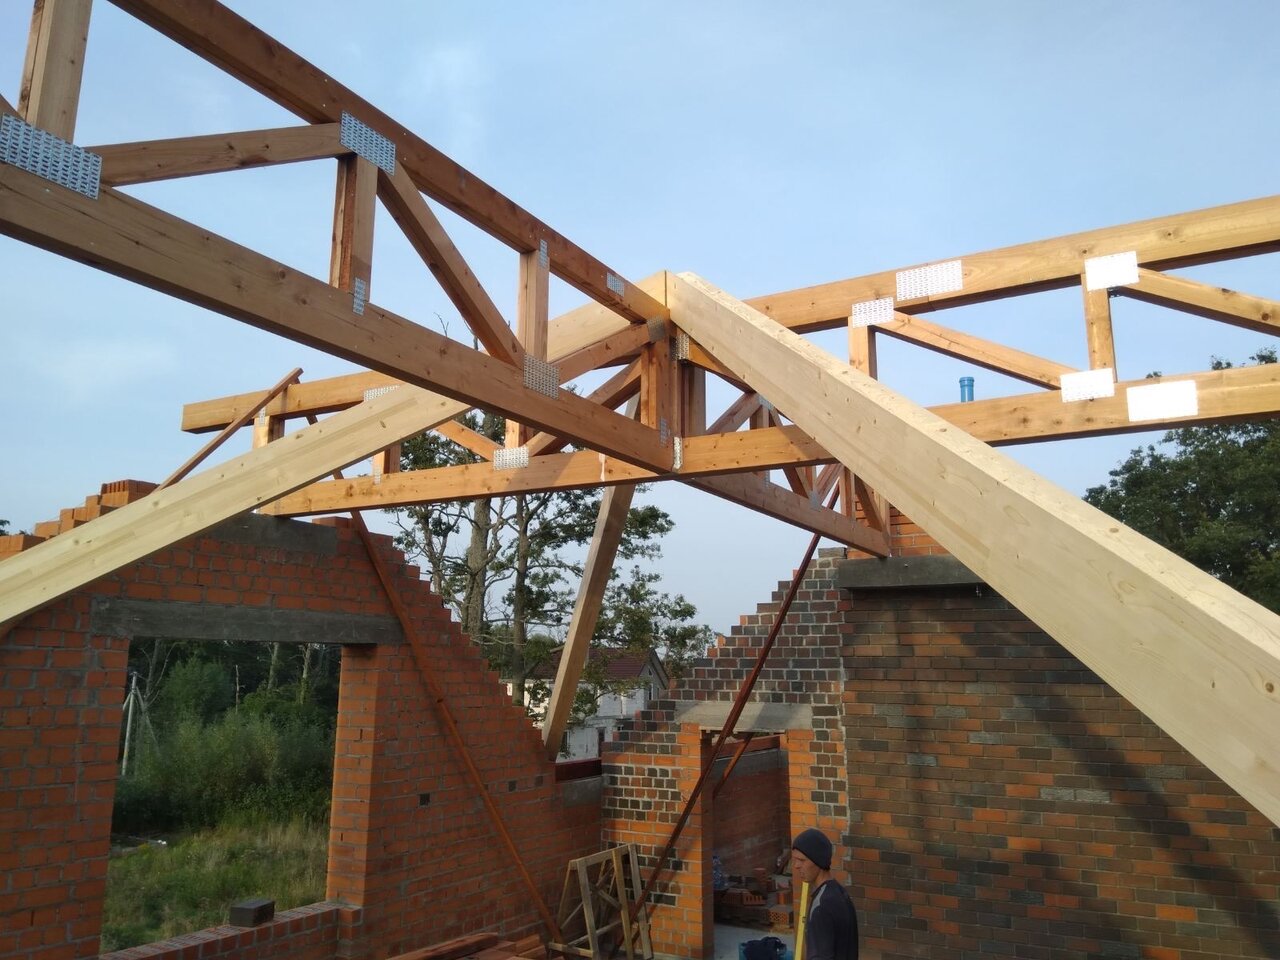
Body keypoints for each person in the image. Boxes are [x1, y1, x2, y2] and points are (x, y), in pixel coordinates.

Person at [791, 828, 858, 960]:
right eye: (795, 860)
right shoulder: (840, 893)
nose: (796, 866)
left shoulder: (821, 907)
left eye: (802, 860)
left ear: (818, 861)